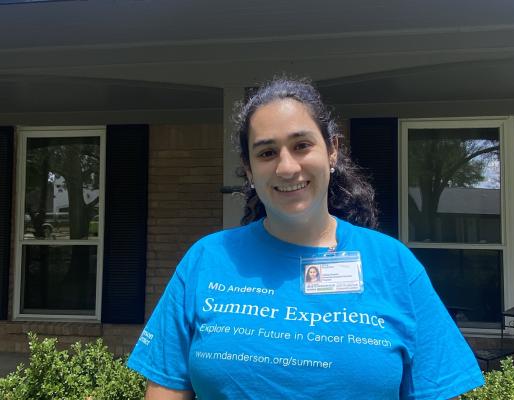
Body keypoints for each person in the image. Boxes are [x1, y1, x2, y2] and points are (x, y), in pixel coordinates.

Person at [127, 77, 484, 399]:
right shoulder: (205, 260)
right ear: (249, 170)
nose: (286, 167)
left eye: (301, 145)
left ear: (332, 151)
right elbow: (166, 391)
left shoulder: (394, 264)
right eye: (267, 152)